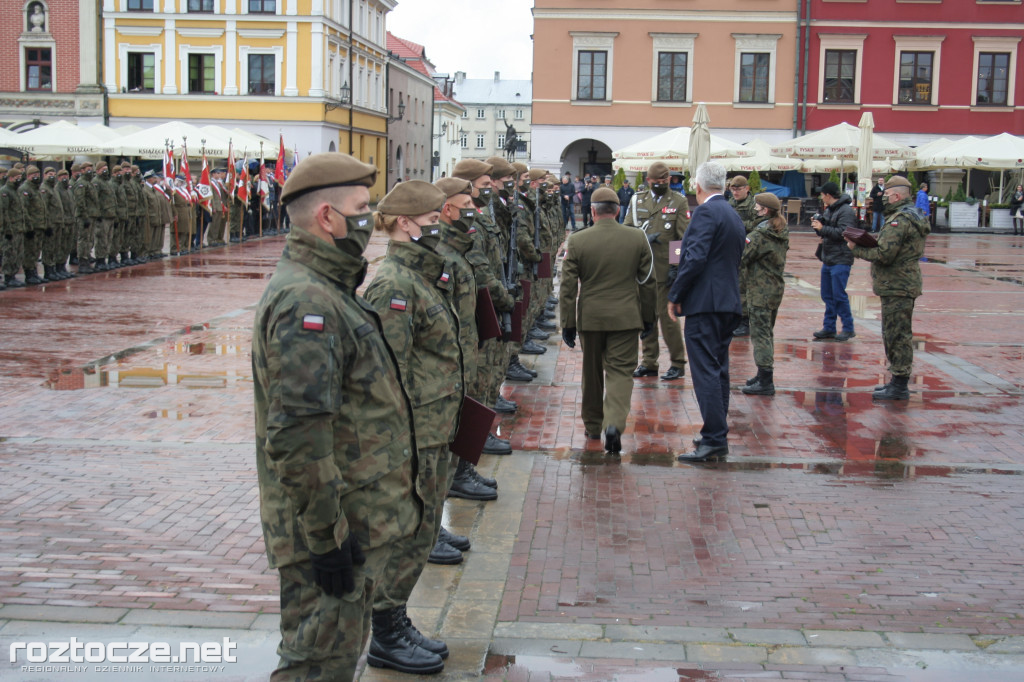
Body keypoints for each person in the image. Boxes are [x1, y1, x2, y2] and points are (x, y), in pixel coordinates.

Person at [251, 152, 423, 682]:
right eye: (362, 210)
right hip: (328, 531)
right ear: (328, 217)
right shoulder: (309, 300)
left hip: (350, 520)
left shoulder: (328, 287)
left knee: (332, 659)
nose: (370, 222)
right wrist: (327, 539)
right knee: (315, 666)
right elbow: (299, 437)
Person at [363, 181, 458, 675]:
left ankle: (396, 617)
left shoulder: (419, 278)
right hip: (415, 435)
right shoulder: (394, 285)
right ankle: (386, 629)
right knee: (408, 534)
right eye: (432, 218)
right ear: (405, 223)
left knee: (422, 534)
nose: (439, 225)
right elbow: (388, 374)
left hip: (435, 428)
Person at [560, 186, 655, 453]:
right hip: (626, 317)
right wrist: (649, 318)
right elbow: (648, 282)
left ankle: (593, 425)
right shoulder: (637, 238)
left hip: (591, 318)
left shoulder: (578, 240)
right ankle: (613, 424)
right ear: (617, 210)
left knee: (591, 374)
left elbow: (567, 286)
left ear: (592, 211)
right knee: (621, 373)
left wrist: (567, 322)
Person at [669, 161, 745, 462]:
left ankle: (714, 437)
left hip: (706, 303)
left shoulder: (706, 211)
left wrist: (675, 294)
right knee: (719, 370)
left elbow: (694, 257)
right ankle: (716, 434)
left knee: (706, 373)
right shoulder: (731, 213)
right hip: (726, 301)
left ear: (697, 187)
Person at [847, 176, 930, 401]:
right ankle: (896, 380)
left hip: (897, 284)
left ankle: (900, 383)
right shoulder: (909, 215)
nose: (883, 198)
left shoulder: (899, 220)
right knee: (894, 333)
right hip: (899, 283)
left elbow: (885, 254)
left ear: (896, 195)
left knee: (897, 334)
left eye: (885, 195)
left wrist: (856, 248)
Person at [625, 161, 689, 382]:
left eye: (664, 181)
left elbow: (681, 238)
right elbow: (627, 229)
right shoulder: (638, 200)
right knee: (646, 318)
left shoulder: (678, 202)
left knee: (667, 319)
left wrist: (675, 266)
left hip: (663, 270)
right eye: (656, 181)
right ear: (648, 180)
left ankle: (678, 363)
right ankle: (649, 362)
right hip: (642, 268)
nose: (661, 184)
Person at [740, 193, 790, 396]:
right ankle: (762, 374)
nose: (754, 210)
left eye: (757, 208)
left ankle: (766, 380)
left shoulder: (760, 234)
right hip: (774, 288)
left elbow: (743, 256)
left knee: (761, 335)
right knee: (767, 332)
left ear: (765, 211)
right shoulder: (780, 228)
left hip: (760, 290)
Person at [811, 181, 856, 342]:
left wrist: (823, 228)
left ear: (828, 195)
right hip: (829, 257)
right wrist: (819, 227)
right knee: (827, 294)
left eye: (822, 195)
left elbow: (843, 233)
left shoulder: (846, 211)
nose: (821, 198)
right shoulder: (831, 209)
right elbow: (828, 232)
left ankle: (848, 327)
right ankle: (829, 327)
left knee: (838, 295)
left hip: (841, 258)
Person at [727, 176, 758, 336]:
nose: (735, 192)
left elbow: (757, 225)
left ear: (747, 188)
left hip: (747, 251)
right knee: (732, 286)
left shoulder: (753, 205)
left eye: (738, 189)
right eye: (733, 189)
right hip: (731, 251)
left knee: (743, 287)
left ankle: (744, 321)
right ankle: (734, 318)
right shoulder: (730, 204)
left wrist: (736, 223)